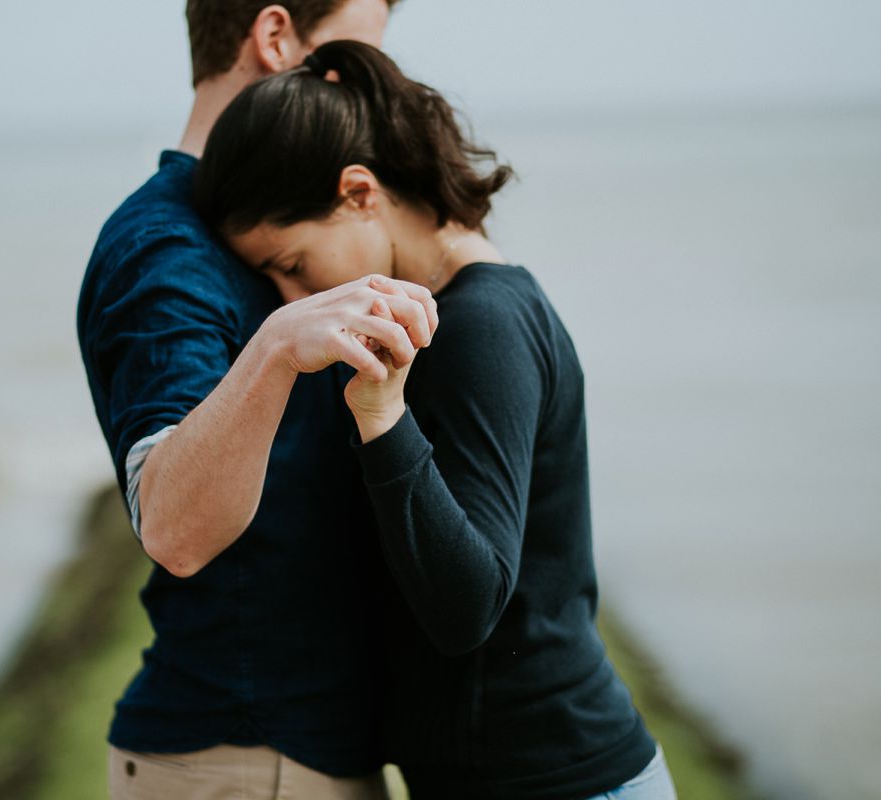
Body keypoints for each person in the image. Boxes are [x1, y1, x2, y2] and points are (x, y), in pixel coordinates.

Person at [194, 40, 678, 799]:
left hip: (554, 778)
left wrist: (382, 418)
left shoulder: (478, 325)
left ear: (360, 192)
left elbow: (468, 607)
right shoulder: (452, 314)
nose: (291, 300)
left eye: (292, 263)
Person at [76, 3, 434, 798]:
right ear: (276, 39)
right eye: (356, 52)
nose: (374, 82)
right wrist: (273, 348)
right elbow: (170, 526)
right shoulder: (168, 249)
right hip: (244, 760)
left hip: (295, 750)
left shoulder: (258, 221)